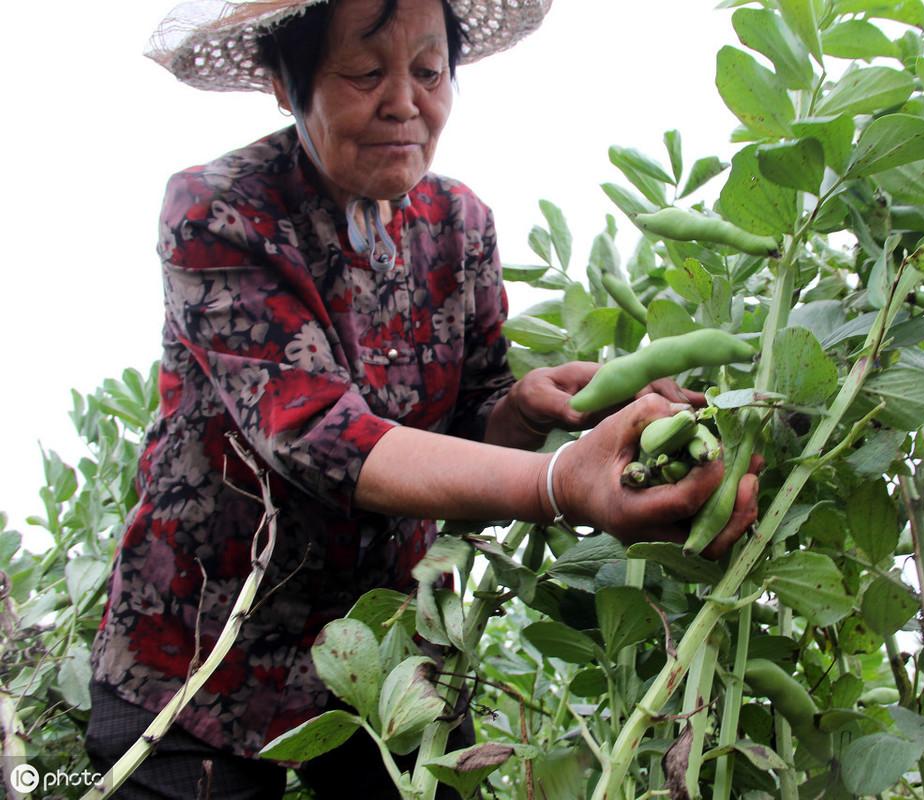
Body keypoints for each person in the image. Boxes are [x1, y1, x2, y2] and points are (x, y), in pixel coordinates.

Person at [86, 0, 761, 797]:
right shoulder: (221, 211)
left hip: (391, 658)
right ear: (283, 82)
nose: (406, 102)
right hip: (201, 665)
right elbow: (318, 436)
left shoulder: (459, 225)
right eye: (366, 72)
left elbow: (471, 419)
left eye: (430, 71)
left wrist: (528, 413)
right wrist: (559, 483)